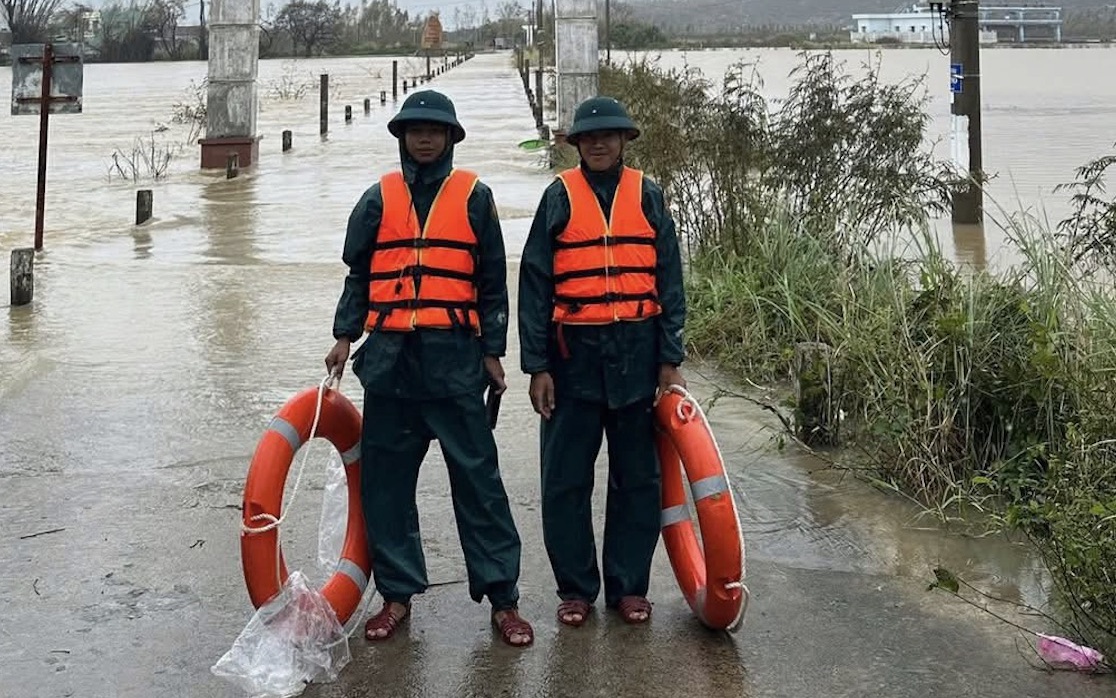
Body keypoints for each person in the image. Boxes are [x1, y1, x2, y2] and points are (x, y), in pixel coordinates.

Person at [325, 89, 533, 647]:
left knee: (479, 483)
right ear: (402, 137)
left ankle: (503, 599)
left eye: (434, 130)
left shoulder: (475, 198)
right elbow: (358, 277)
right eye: (414, 129)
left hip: (455, 366)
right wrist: (344, 337)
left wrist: (493, 351)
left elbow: (493, 281)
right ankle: (396, 596)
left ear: (449, 138)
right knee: (387, 486)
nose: (423, 137)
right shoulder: (377, 199)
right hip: (390, 366)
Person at [517, 96, 686, 627]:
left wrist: (670, 359)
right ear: (576, 145)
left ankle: (629, 588)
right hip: (573, 363)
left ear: (624, 141)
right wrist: (537, 366)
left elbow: (671, 283)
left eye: (608, 136)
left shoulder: (650, 197)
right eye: (588, 137)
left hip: (637, 360)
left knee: (638, 480)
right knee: (565, 481)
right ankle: (576, 590)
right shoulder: (557, 198)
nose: (598, 143)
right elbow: (535, 285)